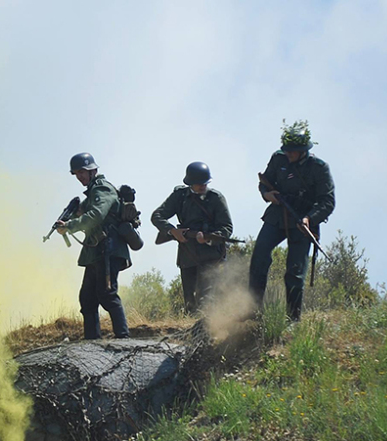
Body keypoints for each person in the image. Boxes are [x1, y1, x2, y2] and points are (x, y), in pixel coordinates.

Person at [249, 120, 335, 321]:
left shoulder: (319, 168)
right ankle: (252, 312)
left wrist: (309, 219)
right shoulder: (278, 159)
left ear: (304, 150)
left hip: (302, 222)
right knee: (259, 256)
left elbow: (328, 201)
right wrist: (267, 195)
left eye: (293, 151)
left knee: (295, 273)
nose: (289, 154)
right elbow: (264, 183)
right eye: (287, 150)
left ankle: (292, 319)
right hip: (277, 215)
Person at [55, 152, 131, 339]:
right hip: (96, 251)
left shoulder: (102, 189)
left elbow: (97, 215)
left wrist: (70, 226)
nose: (79, 176)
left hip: (109, 249)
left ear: (93, 170)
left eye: (82, 172)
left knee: (107, 294)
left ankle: (123, 337)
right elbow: (87, 216)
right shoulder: (92, 193)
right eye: (76, 173)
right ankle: (92, 340)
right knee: (87, 298)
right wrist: (70, 219)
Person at [151, 162, 233, 314]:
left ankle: (208, 333)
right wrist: (172, 231)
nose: (202, 186)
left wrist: (208, 238)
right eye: (198, 184)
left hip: (211, 256)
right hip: (188, 255)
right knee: (190, 302)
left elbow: (227, 228)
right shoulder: (180, 196)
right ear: (190, 183)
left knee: (206, 301)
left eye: (205, 183)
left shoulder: (216, 198)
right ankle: (190, 333)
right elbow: (157, 216)